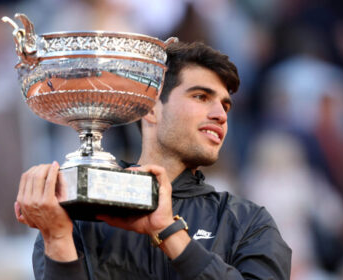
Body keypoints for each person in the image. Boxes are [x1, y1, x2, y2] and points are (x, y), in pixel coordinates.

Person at [15, 42, 291, 279]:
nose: (220, 114)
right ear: (150, 108)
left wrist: (168, 231)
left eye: (225, 104)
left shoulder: (249, 223)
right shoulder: (77, 213)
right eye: (201, 96)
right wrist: (58, 239)